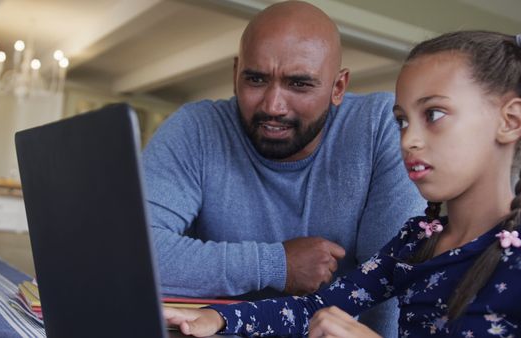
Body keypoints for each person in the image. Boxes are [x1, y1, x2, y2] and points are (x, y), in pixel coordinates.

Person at [162, 30, 521, 337]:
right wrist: (216, 317)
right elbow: (313, 310)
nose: (408, 139)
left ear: (511, 121)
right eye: (402, 120)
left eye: (433, 114)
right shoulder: (416, 242)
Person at [143, 1, 424, 335]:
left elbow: (391, 287)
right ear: (236, 74)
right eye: (256, 79)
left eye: (299, 84)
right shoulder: (196, 128)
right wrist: (277, 264)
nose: (273, 106)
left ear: (338, 88)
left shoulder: (378, 127)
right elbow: (132, 254)